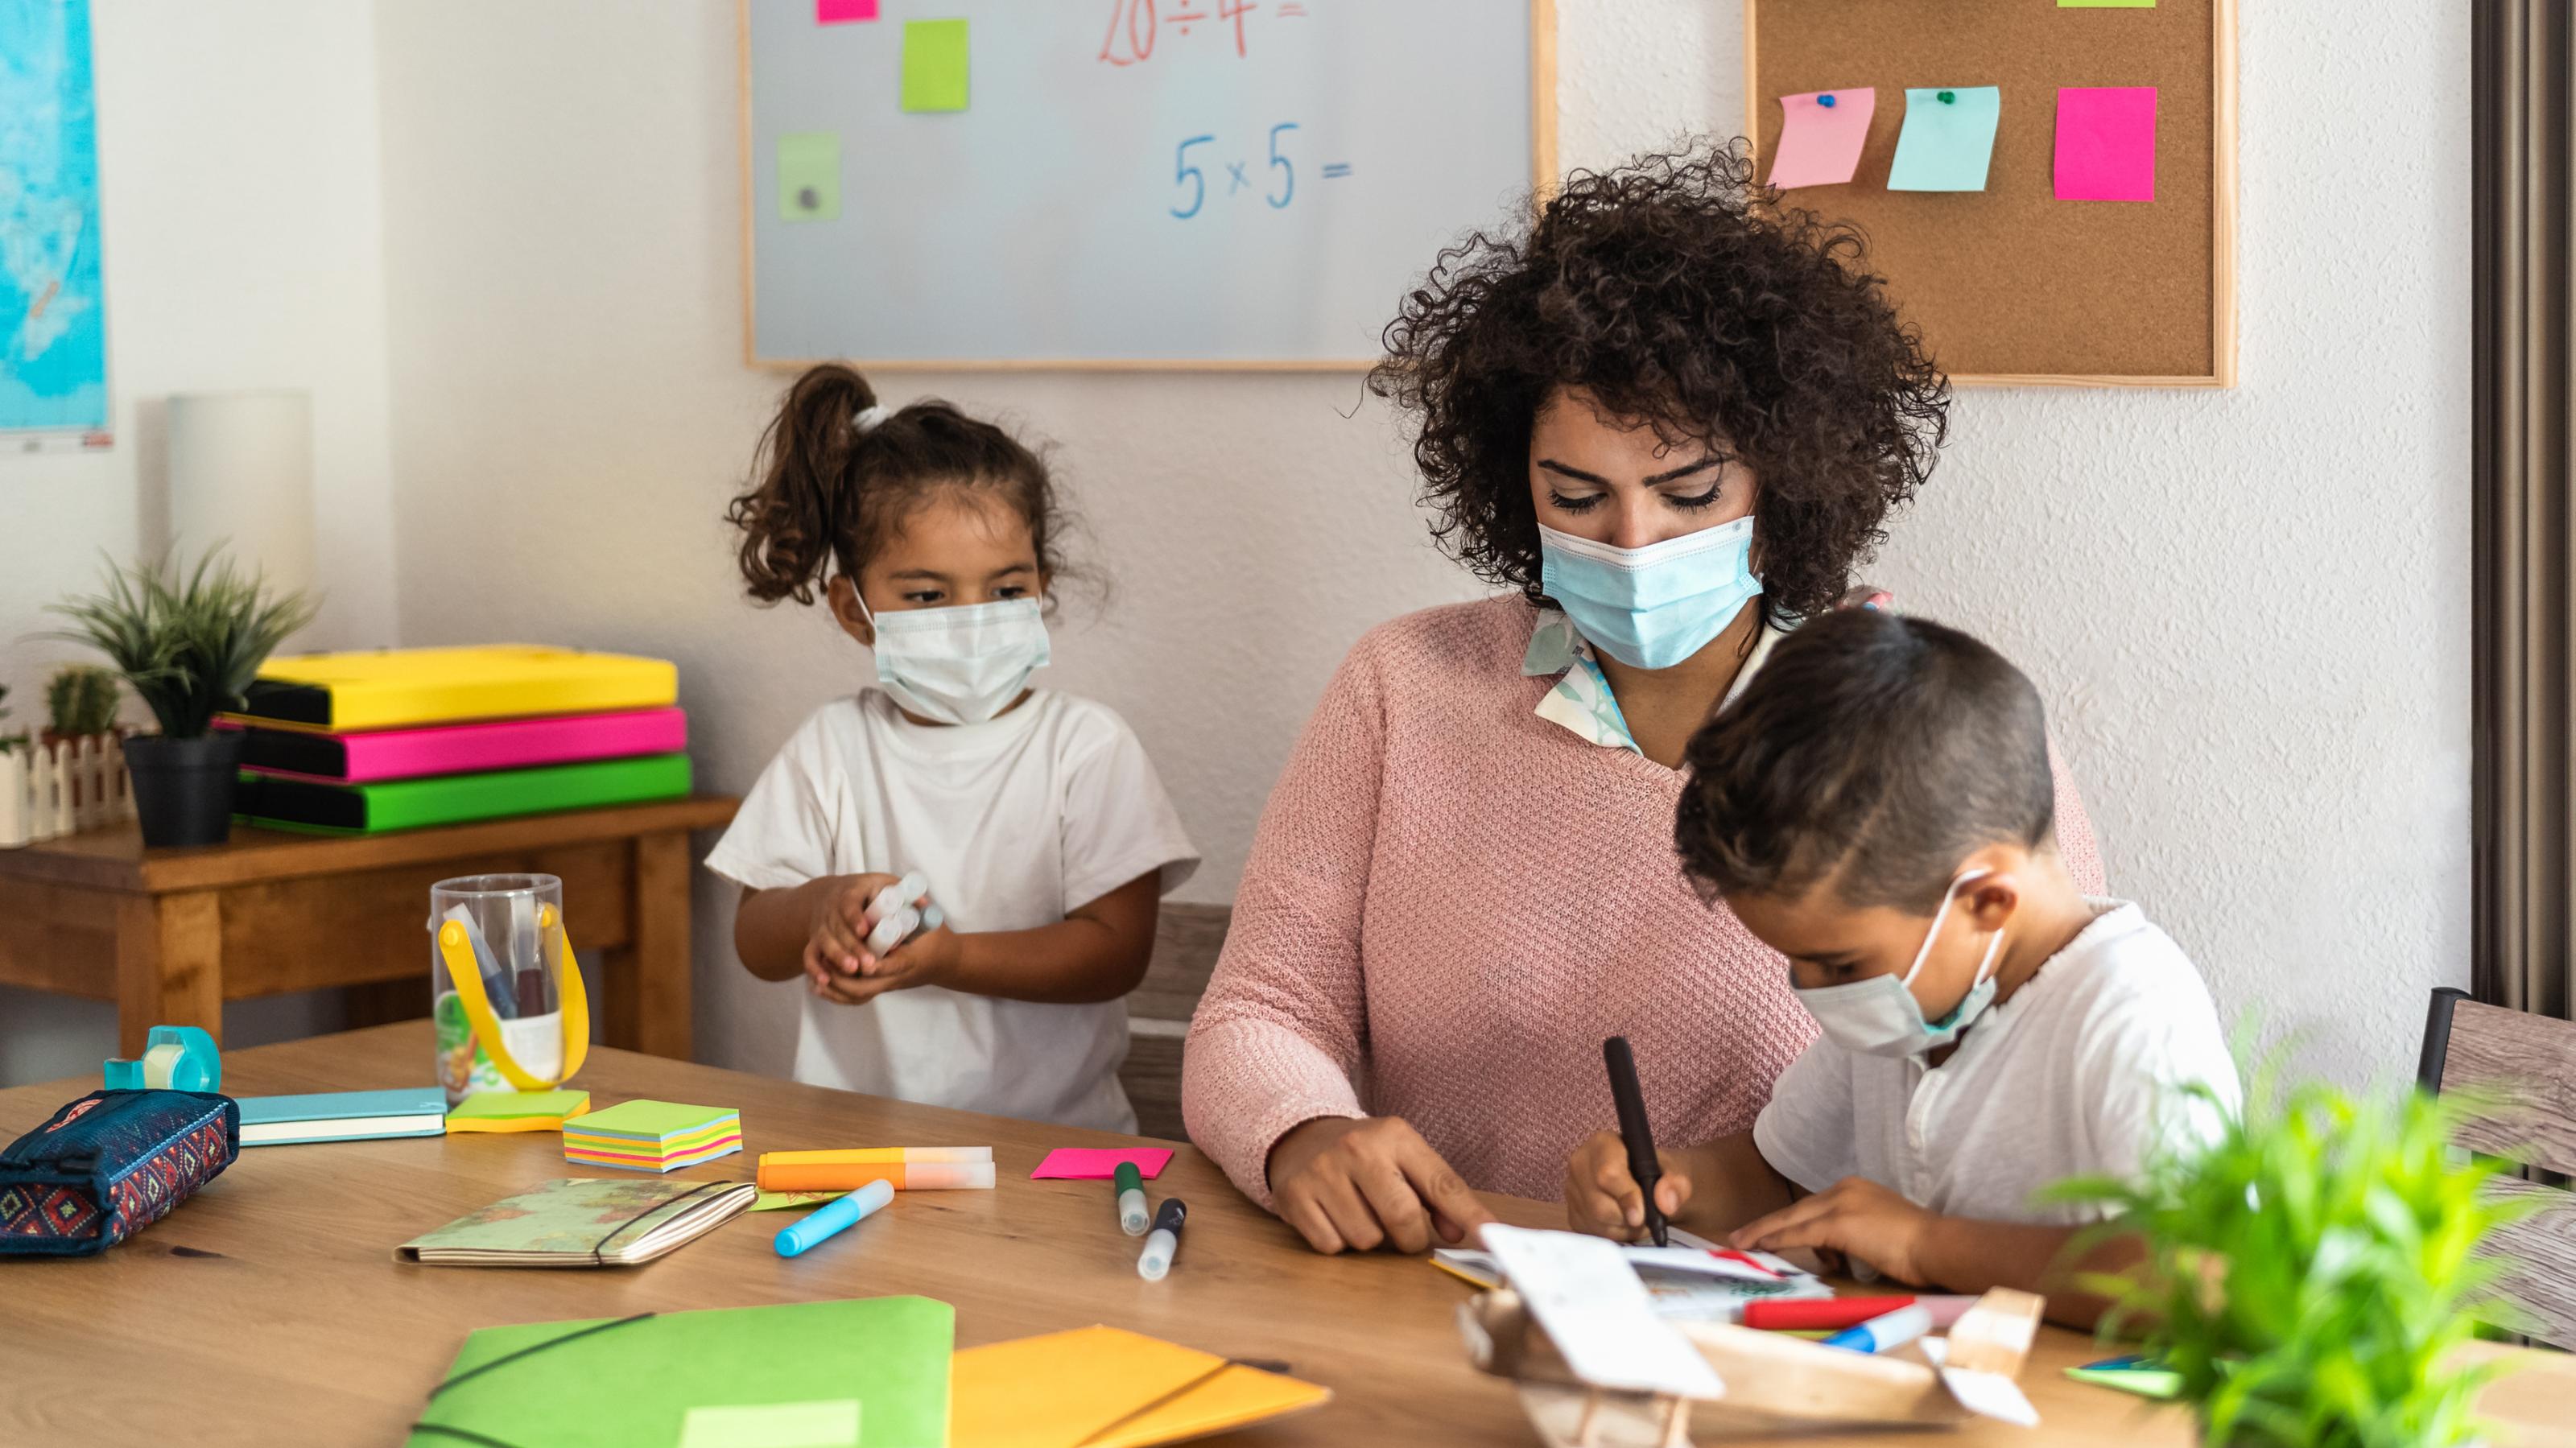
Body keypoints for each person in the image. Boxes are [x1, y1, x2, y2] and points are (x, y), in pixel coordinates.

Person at [1182, 142, 2104, 1255]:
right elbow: (1261, 1009)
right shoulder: (1401, 687)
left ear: (1780, 478)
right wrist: (1303, 1131)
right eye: (1576, 496)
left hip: (1796, 1323)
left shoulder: (1929, 721)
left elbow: (2040, 1071)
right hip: (1438, 1285)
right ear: (1512, 485)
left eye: (1689, 492)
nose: (1632, 540)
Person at [1564, 610, 2237, 1323]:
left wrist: (1925, 1243)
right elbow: (1786, 1178)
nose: (1812, 991)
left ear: (1986, 900)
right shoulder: (1909, 1008)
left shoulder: (2128, 1009)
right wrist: (1669, 1184)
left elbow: (2209, 1276)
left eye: (1838, 963)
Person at [708, 365, 1199, 1132]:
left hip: (1055, 1157)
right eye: (928, 596)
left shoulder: (1087, 749)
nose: (972, 619)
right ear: (856, 611)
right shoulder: (832, 747)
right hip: (862, 1150)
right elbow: (754, 939)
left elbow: (1117, 954)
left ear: (1042, 585)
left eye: (1005, 591)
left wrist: (951, 959)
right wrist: (821, 906)